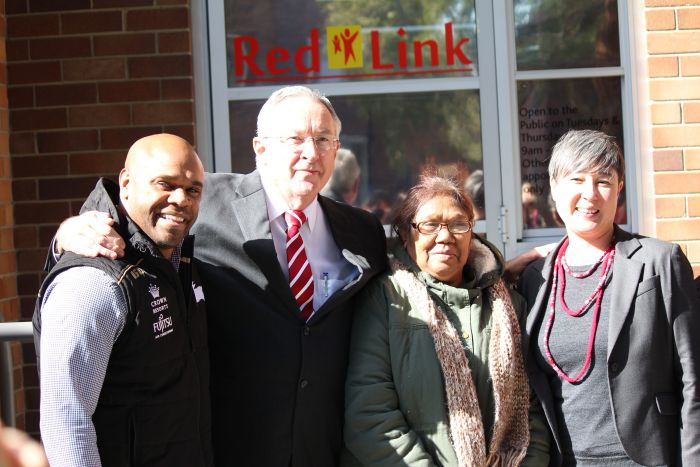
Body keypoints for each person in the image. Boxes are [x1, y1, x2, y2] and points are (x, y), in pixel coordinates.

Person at [51, 86, 388, 466]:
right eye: (295, 139)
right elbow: (129, 224)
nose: (311, 153)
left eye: (324, 139)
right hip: (227, 447)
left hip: (325, 447)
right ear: (260, 149)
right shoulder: (203, 200)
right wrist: (69, 231)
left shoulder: (362, 231)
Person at [341, 172, 550, 466]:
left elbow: (533, 414)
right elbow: (370, 416)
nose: (444, 236)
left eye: (457, 224)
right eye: (429, 225)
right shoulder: (385, 299)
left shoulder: (509, 306)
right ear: (405, 233)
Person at [520, 129, 700, 466]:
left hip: (645, 458)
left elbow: (693, 378)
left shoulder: (659, 261)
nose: (590, 194)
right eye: (577, 180)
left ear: (618, 189)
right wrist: (508, 267)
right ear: (555, 188)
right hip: (564, 460)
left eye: (603, 181)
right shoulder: (535, 277)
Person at [33, 134, 212, 466]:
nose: (180, 199)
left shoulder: (177, 263)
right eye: (165, 183)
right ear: (126, 182)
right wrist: (64, 237)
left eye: (192, 190)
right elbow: (66, 421)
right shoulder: (94, 282)